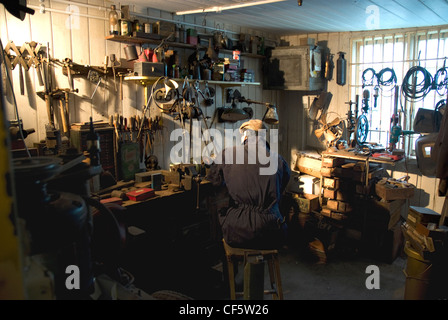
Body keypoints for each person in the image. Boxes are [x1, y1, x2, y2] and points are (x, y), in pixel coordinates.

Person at [206, 119, 291, 250]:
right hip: (272, 233)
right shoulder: (279, 160)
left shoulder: (228, 154)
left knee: (222, 211)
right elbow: (281, 186)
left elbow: (213, 182)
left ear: (245, 136)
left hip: (239, 231)